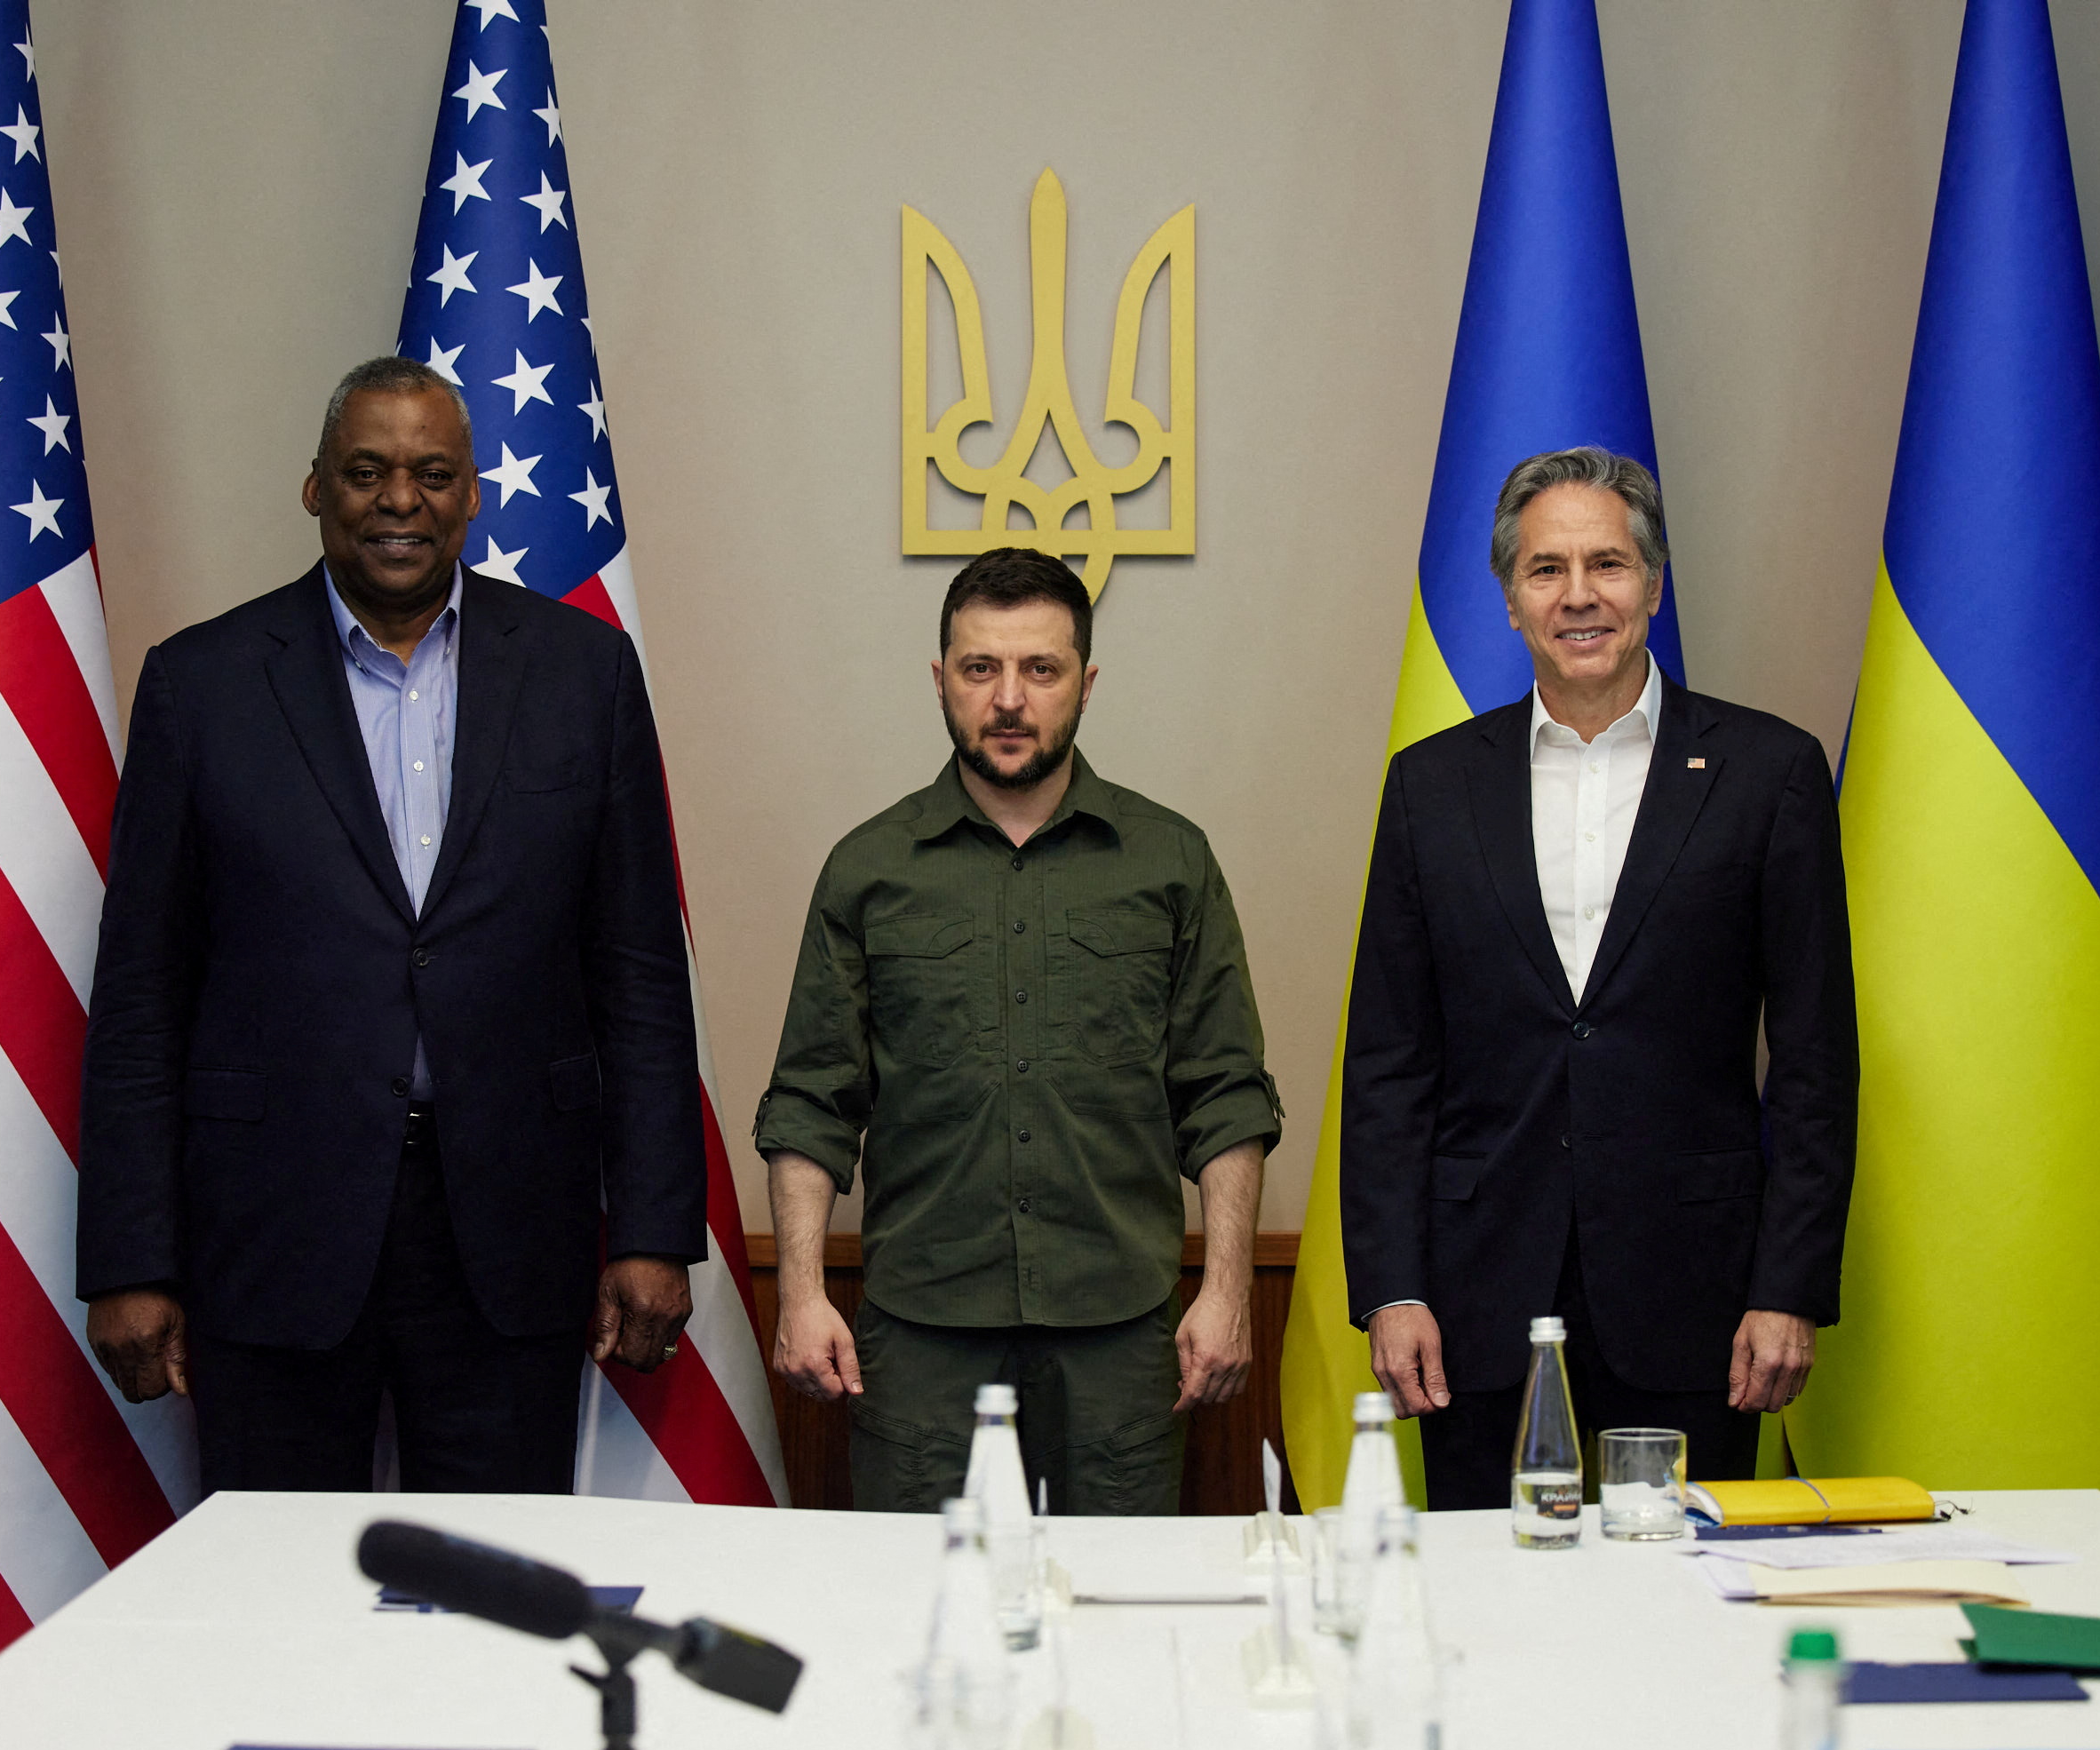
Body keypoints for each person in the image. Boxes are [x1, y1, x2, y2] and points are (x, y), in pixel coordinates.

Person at [76, 356, 704, 1493]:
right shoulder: (202, 685)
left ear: (474, 493)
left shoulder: (583, 673)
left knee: (497, 1575)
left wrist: (654, 1229)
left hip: (510, 1227)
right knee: (280, 1580)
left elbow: (639, 974)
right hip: (273, 1226)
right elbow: (140, 996)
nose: (399, 500)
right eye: (366, 471)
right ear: (315, 487)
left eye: (432, 473)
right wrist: (130, 1257)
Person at [1340, 446, 1857, 1508]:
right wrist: (1392, 1286)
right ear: (1510, 599)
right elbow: (1390, 1063)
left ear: (1654, 586)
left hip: (1699, 1296)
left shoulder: (1770, 774)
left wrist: (1789, 1286)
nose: (1579, 594)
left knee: (1679, 1588)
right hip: (1475, 1299)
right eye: (1547, 569)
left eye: (1608, 564)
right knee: (1489, 1590)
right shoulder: (1431, 787)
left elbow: (1815, 1059)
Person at [758, 546, 1282, 1514]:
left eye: (1040, 669)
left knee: (1118, 1597)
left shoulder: (1170, 860)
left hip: (1120, 1336)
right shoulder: (868, 869)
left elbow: (1225, 1094)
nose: (1008, 699)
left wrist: (1227, 1290)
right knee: (923, 1597)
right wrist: (798, 1291)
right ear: (940, 680)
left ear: (1085, 682)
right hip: (920, 1338)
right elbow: (810, 1103)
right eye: (980, 668)